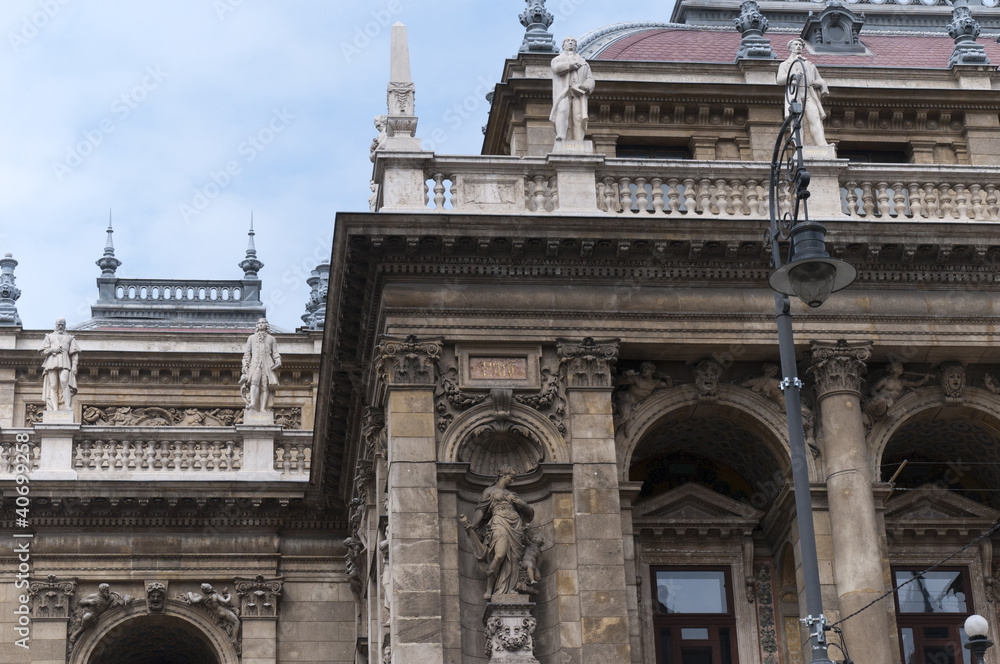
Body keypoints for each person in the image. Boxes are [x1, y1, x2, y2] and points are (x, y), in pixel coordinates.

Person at [459, 465, 535, 600]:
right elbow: (481, 510)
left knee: (514, 559)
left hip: (515, 526)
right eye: (511, 478)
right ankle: (490, 588)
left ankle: (510, 589)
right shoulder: (489, 491)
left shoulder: (513, 495)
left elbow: (530, 513)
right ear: (503, 475)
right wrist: (474, 525)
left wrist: (520, 502)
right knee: (499, 555)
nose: (512, 481)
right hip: (499, 522)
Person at [777, 38, 830, 147]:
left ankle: (822, 144)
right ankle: (799, 146)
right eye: (796, 44)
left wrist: (818, 83)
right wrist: (794, 76)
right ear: (790, 48)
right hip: (795, 93)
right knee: (797, 121)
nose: (798, 46)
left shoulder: (810, 64)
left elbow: (820, 79)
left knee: (815, 119)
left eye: (800, 45)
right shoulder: (785, 64)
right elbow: (779, 80)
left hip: (809, 93)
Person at [549, 36, 595, 146]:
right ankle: (561, 136)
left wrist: (586, 86)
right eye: (567, 41)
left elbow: (590, 78)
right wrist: (570, 66)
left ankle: (579, 141)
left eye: (573, 41)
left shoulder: (584, 62)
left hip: (578, 92)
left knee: (578, 116)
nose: (570, 43)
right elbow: (556, 68)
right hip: (564, 91)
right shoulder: (558, 59)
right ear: (563, 45)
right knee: (562, 110)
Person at [240, 318, 281, 412]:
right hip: (255, 364)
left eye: (263, 323)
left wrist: (278, 358)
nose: (261, 324)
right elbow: (247, 353)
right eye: (259, 323)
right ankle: (253, 403)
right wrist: (245, 364)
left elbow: (275, 352)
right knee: (254, 382)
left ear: (266, 325)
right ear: (257, 326)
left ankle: (263, 408)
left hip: (267, 365)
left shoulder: (271, 339)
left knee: (264, 386)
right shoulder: (251, 338)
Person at [39, 317, 80, 412]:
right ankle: (55, 409)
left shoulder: (70, 338)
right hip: (51, 361)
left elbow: (74, 354)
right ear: (55, 325)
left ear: (65, 325)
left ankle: (67, 406)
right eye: (59, 324)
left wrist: (74, 366)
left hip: (65, 362)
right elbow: (42, 352)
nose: (60, 326)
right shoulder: (49, 337)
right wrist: (53, 350)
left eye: (62, 324)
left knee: (64, 381)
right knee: (53, 385)